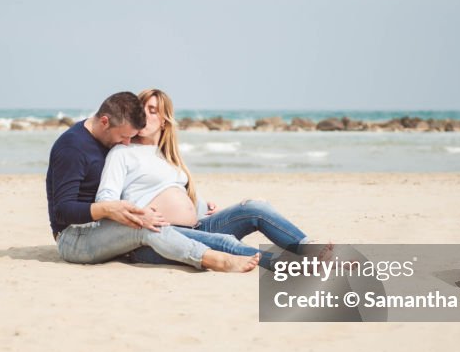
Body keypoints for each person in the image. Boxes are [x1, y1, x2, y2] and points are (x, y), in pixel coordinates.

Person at [95, 89, 331, 270]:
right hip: (156, 239)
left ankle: (314, 250)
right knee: (224, 241)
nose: (145, 115)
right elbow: (107, 200)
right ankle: (292, 266)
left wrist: (200, 207)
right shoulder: (122, 153)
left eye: (153, 110)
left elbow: (173, 193)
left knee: (255, 207)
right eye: (142, 108)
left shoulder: (168, 156)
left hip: (196, 225)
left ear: (165, 120)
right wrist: (140, 215)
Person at [47, 91, 260, 273]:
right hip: (74, 238)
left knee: (149, 223)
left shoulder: (109, 138)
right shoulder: (72, 148)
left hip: (104, 229)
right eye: (124, 136)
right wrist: (109, 209)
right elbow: (63, 211)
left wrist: (200, 206)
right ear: (105, 121)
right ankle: (217, 260)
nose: (127, 143)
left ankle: (280, 260)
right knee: (145, 225)